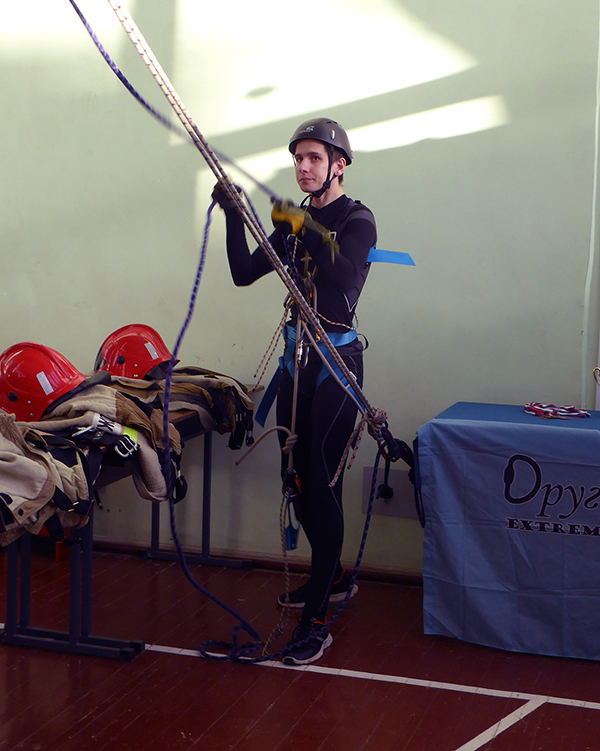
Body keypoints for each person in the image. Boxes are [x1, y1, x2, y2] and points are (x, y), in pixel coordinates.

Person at [214, 117, 377, 665]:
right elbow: (243, 272)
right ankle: (334, 576)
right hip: (298, 361)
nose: (303, 167)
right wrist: (236, 217)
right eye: (298, 159)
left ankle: (316, 623)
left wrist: (300, 225)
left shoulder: (357, 219)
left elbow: (345, 275)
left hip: (337, 364)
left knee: (322, 484)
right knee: (295, 478)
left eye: (313, 158)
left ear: (338, 165)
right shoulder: (293, 222)